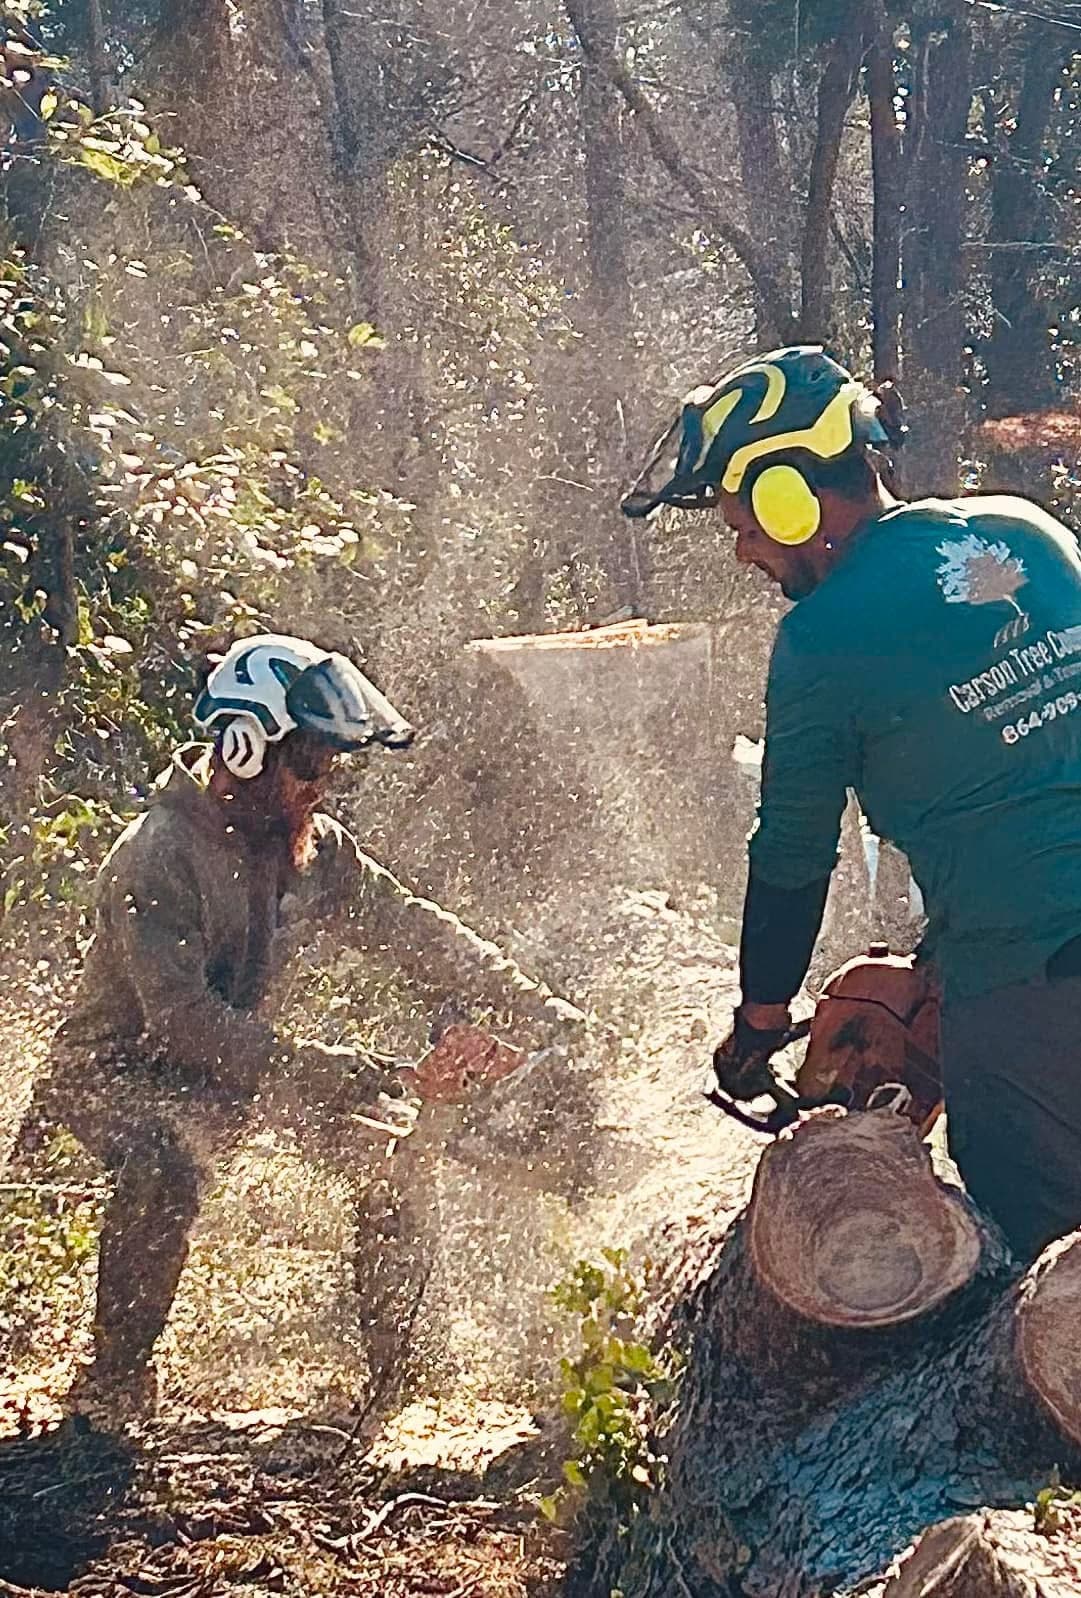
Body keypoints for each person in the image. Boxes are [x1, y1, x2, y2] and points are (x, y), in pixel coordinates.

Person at [16, 634, 585, 1424]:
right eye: (312, 763)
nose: (326, 783)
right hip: (117, 1073)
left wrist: (538, 1009)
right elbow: (182, 1021)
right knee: (166, 1156)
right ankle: (113, 1382)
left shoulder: (310, 848)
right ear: (248, 750)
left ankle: (403, 1384)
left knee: (395, 1152)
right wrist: (340, 1068)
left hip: (236, 1064)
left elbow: (414, 929)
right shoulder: (159, 855)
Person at [623, 344, 1081, 1262]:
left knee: (1042, 1280)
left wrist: (760, 1019)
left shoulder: (821, 640)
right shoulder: (1023, 530)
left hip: (1028, 982)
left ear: (786, 493)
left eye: (740, 522)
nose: (744, 548)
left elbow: (792, 854)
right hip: (1016, 945)